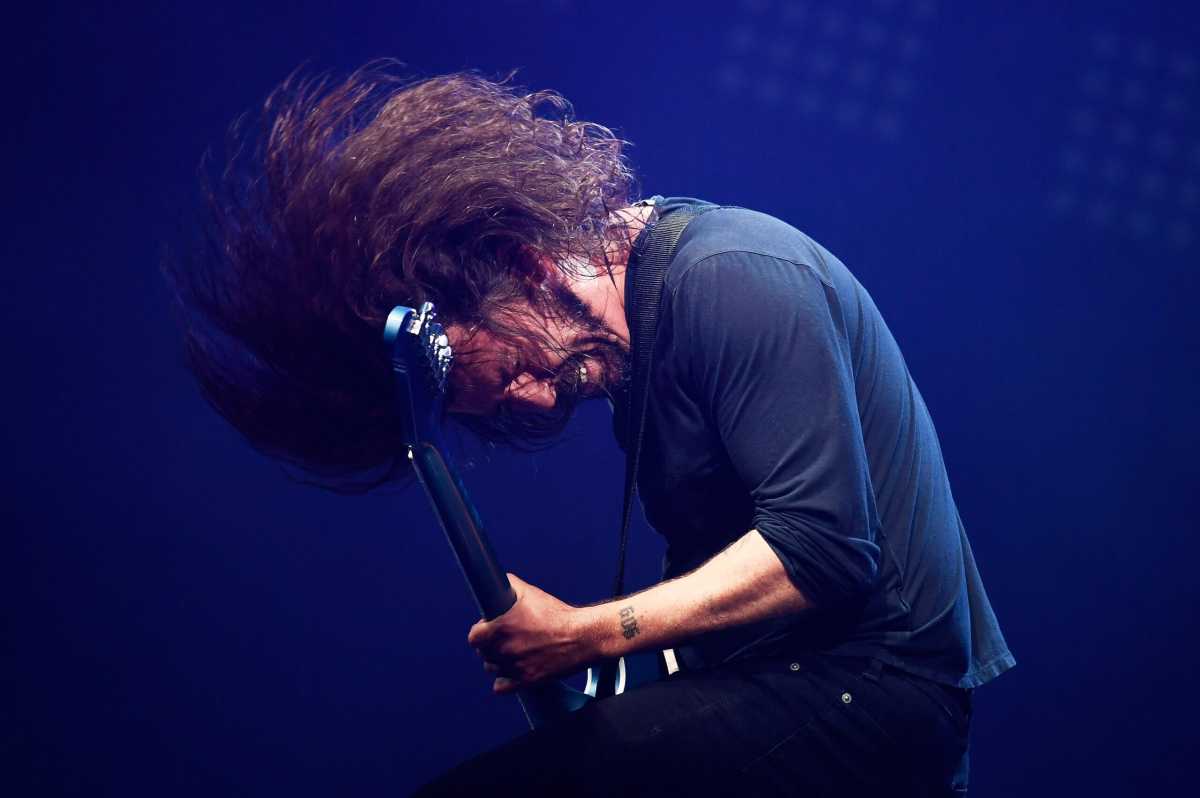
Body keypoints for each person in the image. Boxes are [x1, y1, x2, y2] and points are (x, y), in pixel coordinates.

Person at [167, 63, 1014, 796]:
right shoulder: (642, 345)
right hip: (782, 687)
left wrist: (583, 635)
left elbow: (824, 549)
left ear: (530, 267)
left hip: (876, 694)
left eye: (510, 374)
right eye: (501, 406)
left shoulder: (731, 276)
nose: (535, 404)